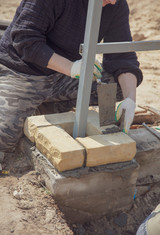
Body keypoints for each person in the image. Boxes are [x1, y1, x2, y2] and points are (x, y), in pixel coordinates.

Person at [0, 0, 143, 154]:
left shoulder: (115, 4)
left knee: (116, 86)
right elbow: (25, 40)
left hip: (64, 75)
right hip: (22, 72)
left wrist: (130, 99)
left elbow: (122, 56)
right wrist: (71, 67)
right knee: (5, 139)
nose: (113, 1)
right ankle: (27, 102)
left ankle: (45, 106)